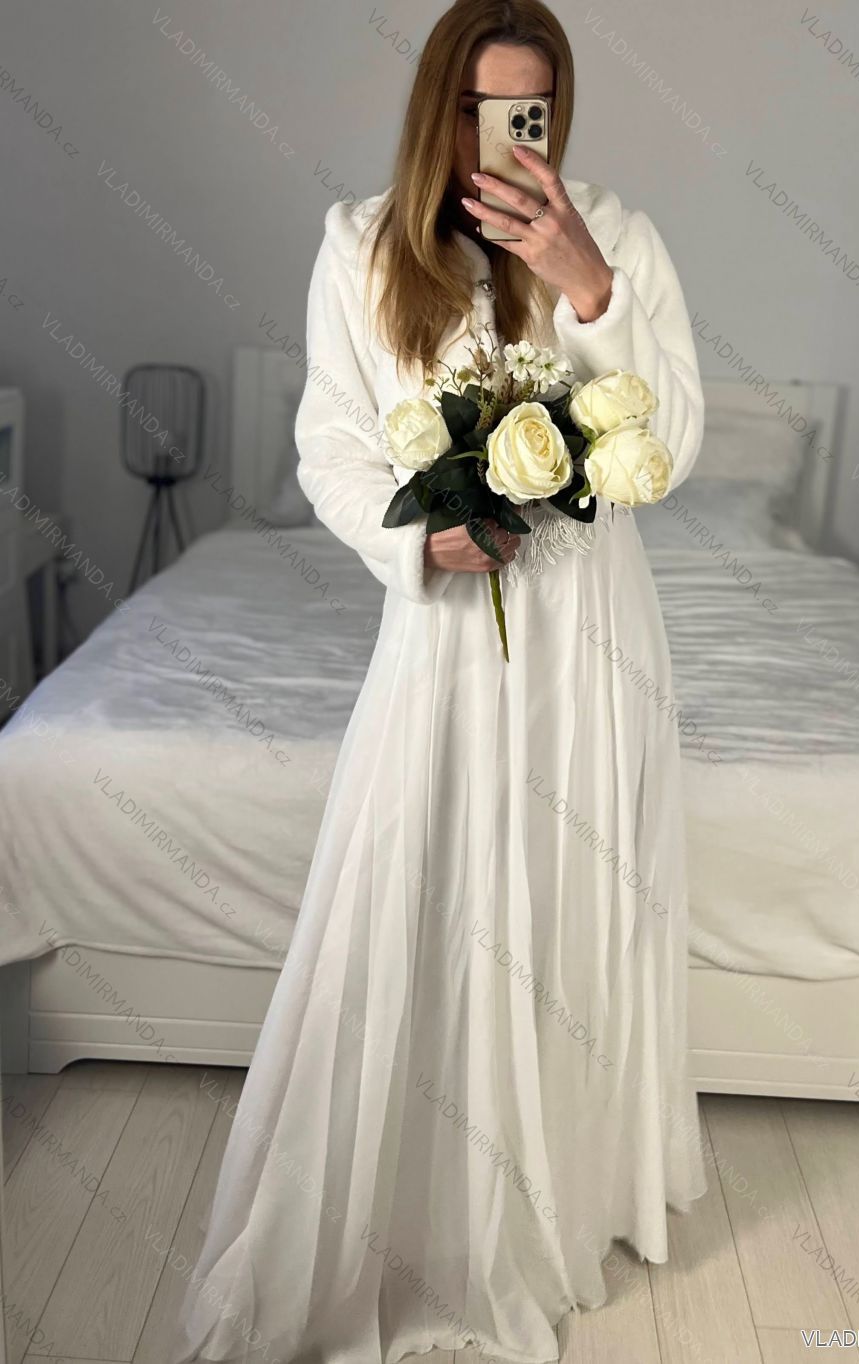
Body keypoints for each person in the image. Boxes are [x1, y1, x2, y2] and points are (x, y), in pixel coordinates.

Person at [174, 2, 707, 1360]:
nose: (504, 138)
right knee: (424, 873)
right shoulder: (363, 244)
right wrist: (418, 542)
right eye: (480, 109)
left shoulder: (616, 237)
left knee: (573, 889)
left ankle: (562, 1190)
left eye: (531, 111)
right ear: (437, 108)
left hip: (592, 632)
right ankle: (417, 1198)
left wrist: (589, 288)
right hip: (449, 625)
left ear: (558, 114)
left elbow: (677, 444)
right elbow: (333, 444)